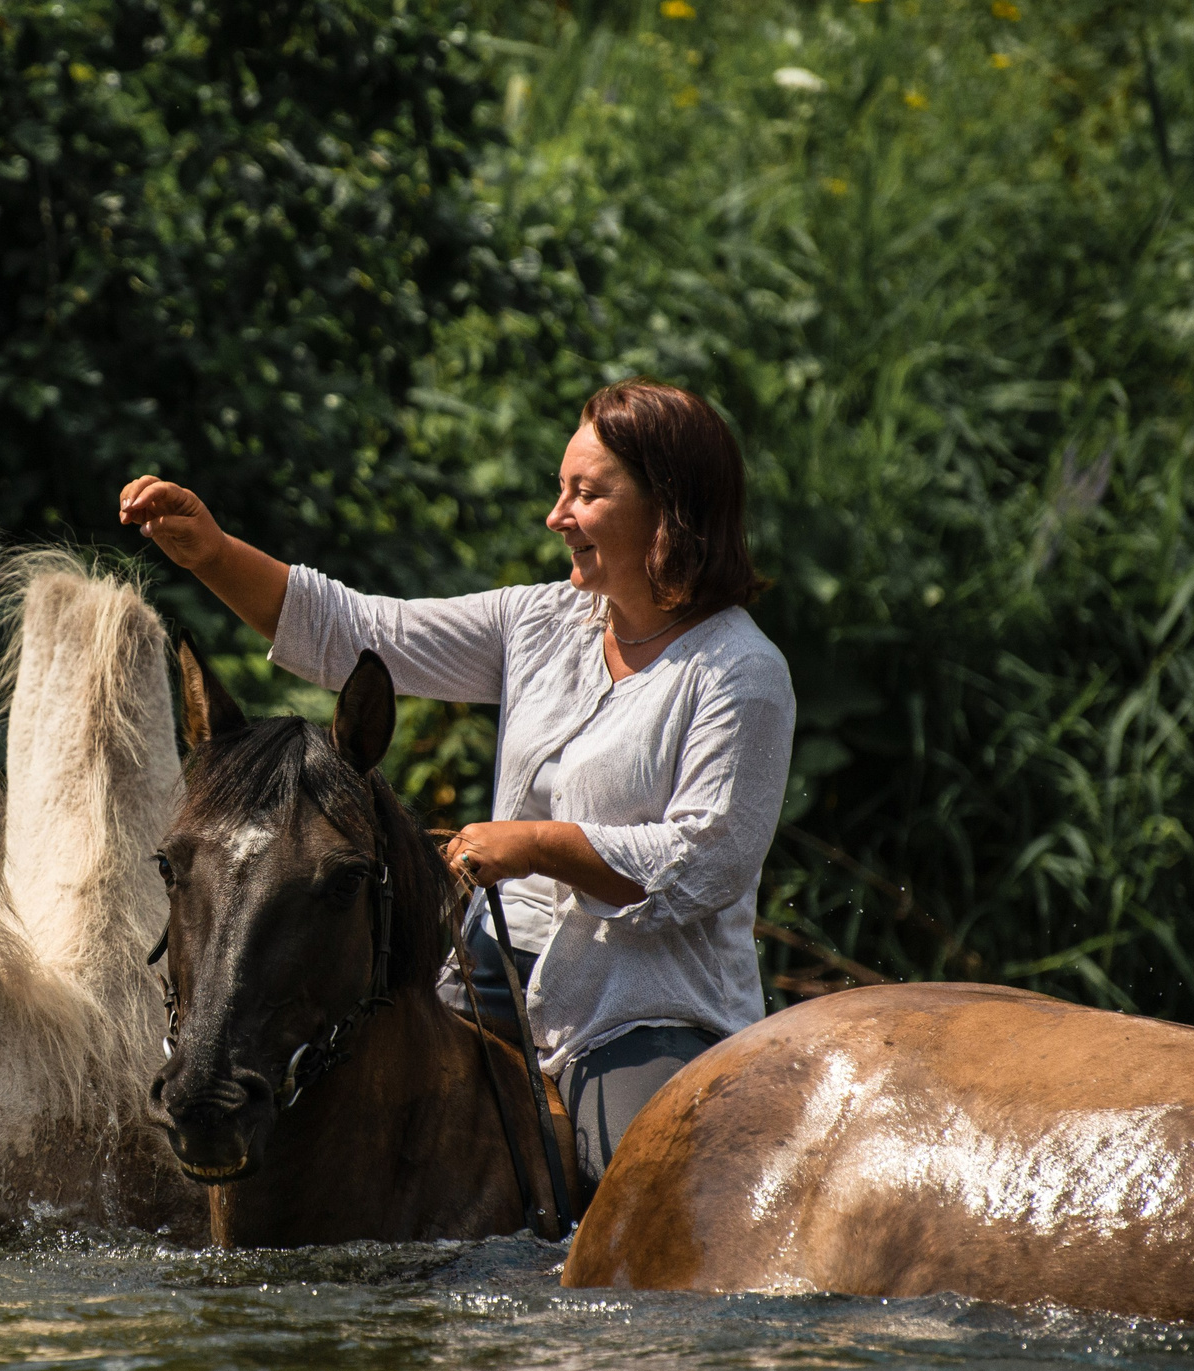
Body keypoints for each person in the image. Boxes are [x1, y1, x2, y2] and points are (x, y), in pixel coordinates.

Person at [118, 379, 795, 1189]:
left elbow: (706, 862)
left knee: (638, 1204)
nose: (557, 515)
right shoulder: (541, 622)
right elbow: (358, 633)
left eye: (587, 493)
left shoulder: (742, 673)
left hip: (641, 1008)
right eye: (560, 489)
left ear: (670, 511)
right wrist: (214, 553)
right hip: (482, 974)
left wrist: (537, 845)